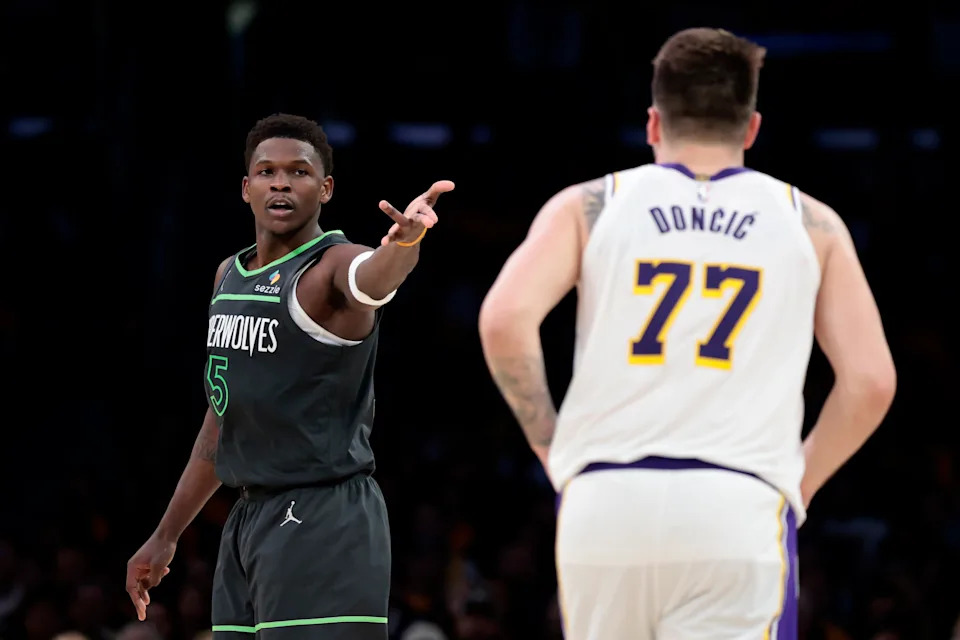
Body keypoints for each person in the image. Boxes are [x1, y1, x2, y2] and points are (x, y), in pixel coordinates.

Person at [478, 27, 896, 639]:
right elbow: (870, 382)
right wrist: (797, 478)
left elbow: (503, 318)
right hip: (737, 501)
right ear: (752, 127)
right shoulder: (811, 222)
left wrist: (550, 443)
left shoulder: (591, 203)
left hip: (606, 498)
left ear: (653, 124)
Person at [125, 113, 455, 639]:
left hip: (324, 516)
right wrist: (167, 534)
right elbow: (223, 417)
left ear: (325, 189)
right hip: (248, 517)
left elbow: (372, 280)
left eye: (299, 172)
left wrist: (403, 245)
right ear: (246, 187)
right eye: (267, 171)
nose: (281, 182)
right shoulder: (228, 274)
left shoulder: (332, 264)